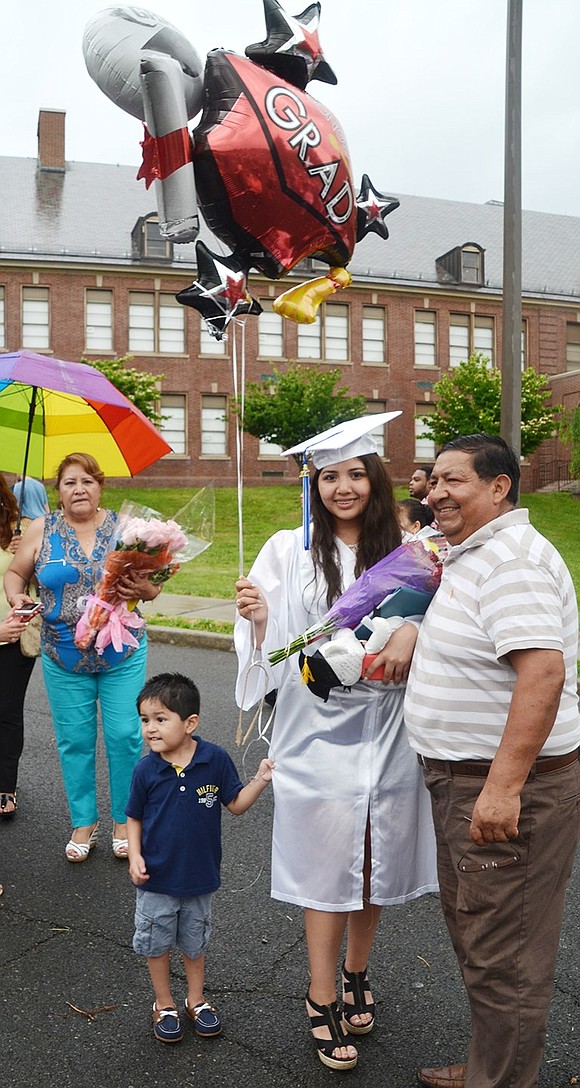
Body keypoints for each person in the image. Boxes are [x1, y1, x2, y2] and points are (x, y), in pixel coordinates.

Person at [234, 416, 437, 1072]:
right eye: (329, 477)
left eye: (355, 474)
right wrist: (262, 621)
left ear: (375, 479)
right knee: (326, 863)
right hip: (317, 728)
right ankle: (321, 994)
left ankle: (356, 971)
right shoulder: (285, 551)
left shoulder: (409, 550)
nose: (342, 487)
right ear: (313, 484)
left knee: (375, 857)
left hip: (391, 728)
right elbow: (280, 651)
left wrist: (411, 636)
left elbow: (448, 626)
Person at [404, 434, 580, 1088]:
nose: (435, 493)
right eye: (432, 482)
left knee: (502, 954)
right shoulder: (473, 553)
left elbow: (542, 674)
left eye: (454, 482)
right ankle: (491, 1067)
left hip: (505, 790)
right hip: (466, 781)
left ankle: (500, 1080)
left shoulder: (511, 561)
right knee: (483, 940)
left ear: (499, 486)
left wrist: (503, 789)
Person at [4, 452, 161, 863]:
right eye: (70, 482)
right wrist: (15, 593)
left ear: (100, 486)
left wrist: (140, 591)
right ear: (58, 491)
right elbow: (17, 573)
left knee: (126, 737)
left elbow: (153, 589)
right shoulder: (41, 528)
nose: (79, 489)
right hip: (63, 655)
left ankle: (125, 822)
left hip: (120, 652)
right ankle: (83, 822)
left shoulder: (128, 530)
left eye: (87, 481)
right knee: (74, 741)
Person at [126, 672, 274, 1044]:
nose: (150, 729)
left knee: (195, 943)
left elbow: (236, 805)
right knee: (156, 944)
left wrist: (259, 779)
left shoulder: (215, 760)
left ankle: (196, 999)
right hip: (156, 878)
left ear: (190, 723)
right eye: (145, 720)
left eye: (161, 719)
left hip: (199, 876)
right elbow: (134, 816)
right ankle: (164, 1003)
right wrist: (135, 856)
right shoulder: (146, 768)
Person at [0, 473, 37, 819]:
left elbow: (36, 584)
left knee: (7, 713)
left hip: (13, 639)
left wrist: (27, 556)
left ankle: (4, 787)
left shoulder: (16, 532)